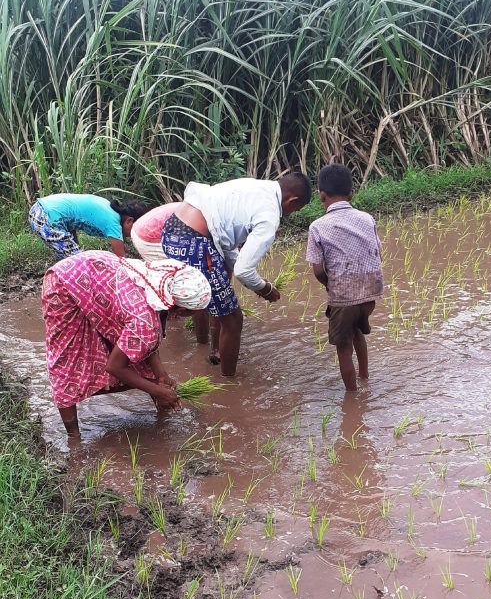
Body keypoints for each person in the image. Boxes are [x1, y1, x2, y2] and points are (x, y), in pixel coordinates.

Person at [42, 250, 211, 437]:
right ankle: (74, 438)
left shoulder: (159, 287)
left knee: (135, 352)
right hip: (65, 282)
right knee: (67, 358)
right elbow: (114, 367)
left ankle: (161, 418)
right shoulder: (145, 322)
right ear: (180, 309)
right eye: (193, 312)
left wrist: (160, 374)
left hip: (95, 272)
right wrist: (157, 390)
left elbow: (148, 342)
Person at [160, 172, 312, 376]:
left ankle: (202, 349)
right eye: (296, 209)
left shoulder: (256, 187)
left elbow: (227, 245)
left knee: (206, 298)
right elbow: (243, 271)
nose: (292, 213)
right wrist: (266, 289)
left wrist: (255, 280)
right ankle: (230, 384)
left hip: (172, 231)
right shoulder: (269, 216)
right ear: (292, 200)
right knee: (233, 319)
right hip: (194, 242)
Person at [306, 164, 384, 391]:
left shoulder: (317, 227)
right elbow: (378, 252)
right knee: (358, 331)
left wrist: (330, 285)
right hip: (370, 294)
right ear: (351, 194)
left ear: (321, 195)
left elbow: (318, 270)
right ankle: (365, 378)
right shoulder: (367, 218)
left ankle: (353, 397)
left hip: (343, 297)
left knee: (343, 346)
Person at [132, 201, 220, 362]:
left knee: (182, 287)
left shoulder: (216, 210)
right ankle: (202, 342)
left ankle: (169, 323)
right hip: (153, 237)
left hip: (144, 228)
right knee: (195, 290)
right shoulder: (224, 223)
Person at [29, 193, 150, 260]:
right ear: (129, 220)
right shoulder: (113, 222)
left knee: (73, 258)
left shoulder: (110, 210)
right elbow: (122, 260)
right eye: (135, 230)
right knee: (79, 262)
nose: (133, 235)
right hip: (45, 216)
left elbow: (73, 219)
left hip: (42, 211)